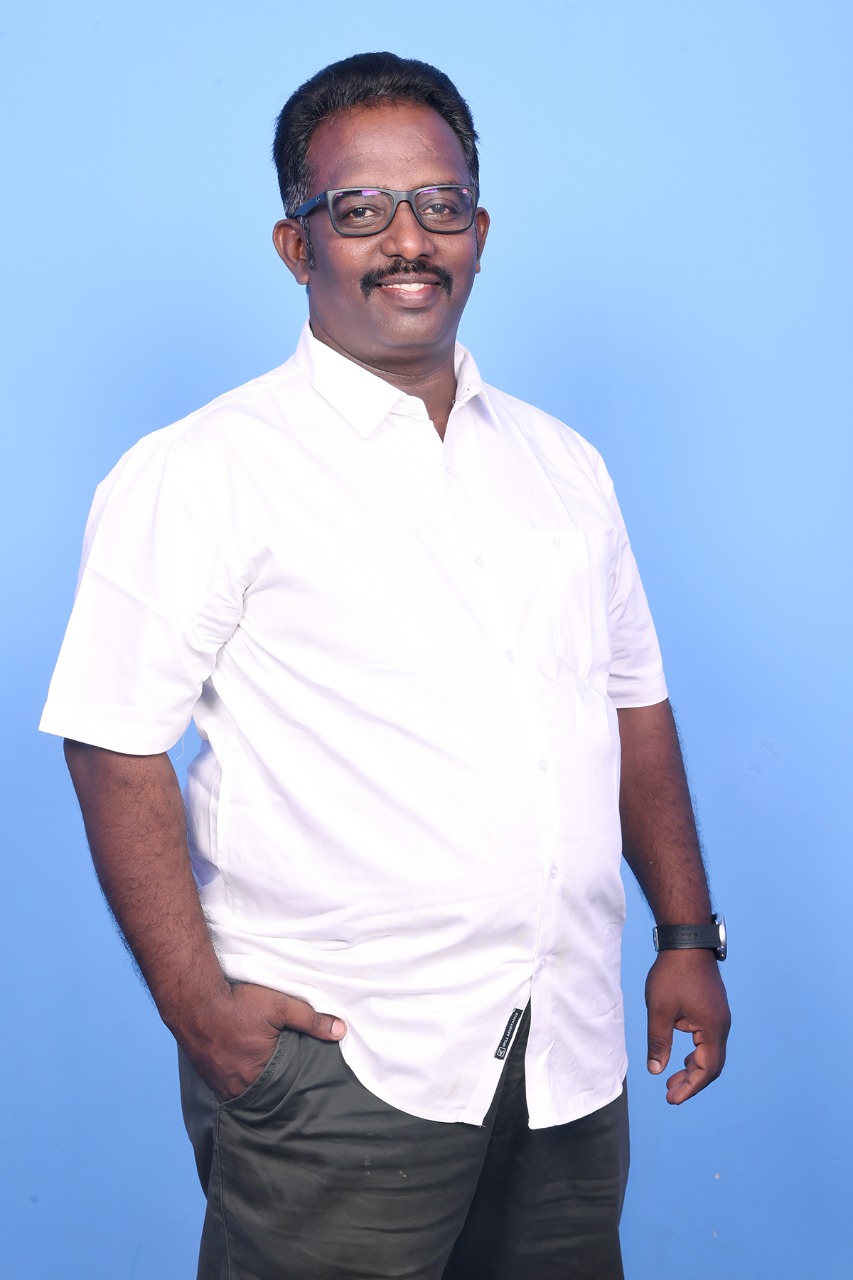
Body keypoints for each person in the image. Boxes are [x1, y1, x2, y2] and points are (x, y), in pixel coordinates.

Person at [41, 51, 730, 1280]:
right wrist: (203, 1012)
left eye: (439, 203)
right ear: (294, 244)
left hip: (565, 1052)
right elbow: (110, 741)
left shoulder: (564, 465)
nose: (407, 240)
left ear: (480, 230)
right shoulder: (204, 470)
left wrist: (686, 931)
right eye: (359, 209)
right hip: (342, 1065)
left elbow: (630, 706)